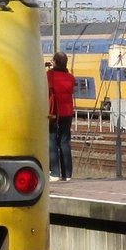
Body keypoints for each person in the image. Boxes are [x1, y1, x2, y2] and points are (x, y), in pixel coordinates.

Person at [46, 51, 75, 182]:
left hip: (54, 112)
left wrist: (48, 69)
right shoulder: (70, 77)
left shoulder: (50, 75)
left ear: (55, 62)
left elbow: (46, 88)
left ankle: (55, 172)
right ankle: (67, 174)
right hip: (67, 112)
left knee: (51, 140)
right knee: (64, 141)